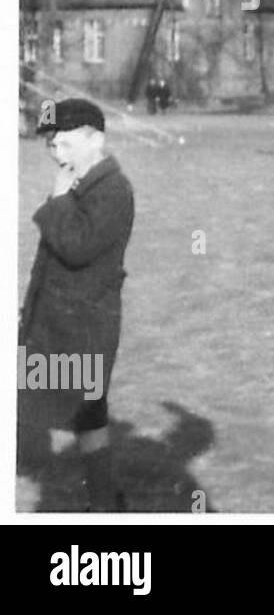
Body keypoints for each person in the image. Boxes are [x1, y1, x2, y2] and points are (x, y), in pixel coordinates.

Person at [19, 98, 134, 511]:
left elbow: (77, 247)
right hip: (56, 322)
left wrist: (57, 201)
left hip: (82, 327)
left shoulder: (113, 190)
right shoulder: (82, 186)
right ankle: (106, 499)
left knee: (84, 412)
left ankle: (105, 501)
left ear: (95, 139)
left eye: (65, 144)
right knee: (84, 413)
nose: (57, 155)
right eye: (52, 146)